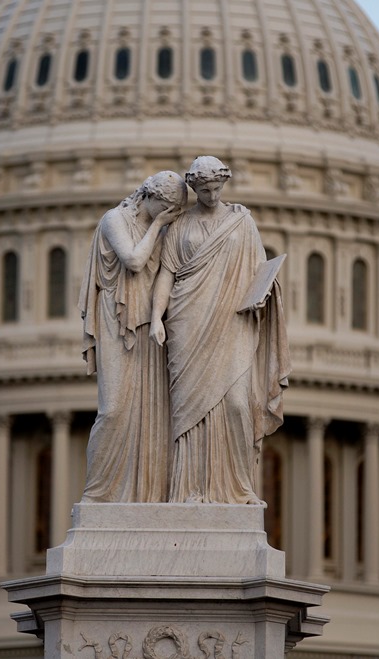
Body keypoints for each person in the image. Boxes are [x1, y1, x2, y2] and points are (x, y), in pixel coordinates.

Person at [150, 156, 290, 504]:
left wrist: (262, 296)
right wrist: (155, 318)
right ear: (194, 188)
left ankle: (238, 489)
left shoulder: (241, 222)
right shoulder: (180, 225)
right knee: (188, 412)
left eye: (216, 189)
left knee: (237, 405)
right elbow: (167, 272)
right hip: (187, 322)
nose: (211, 195)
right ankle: (189, 490)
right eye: (204, 190)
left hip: (233, 322)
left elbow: (261, 271)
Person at [79, 171, 187, 503]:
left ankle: (146, 494)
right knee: (112, 410)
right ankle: (98, 495)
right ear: (151, 198)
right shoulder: (115, 219)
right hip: (116, 321)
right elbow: (135, 261)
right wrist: (159, 225)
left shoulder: (166, 229)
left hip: (150, 327)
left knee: (150, 415)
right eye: (169, 209)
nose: (172, 217)